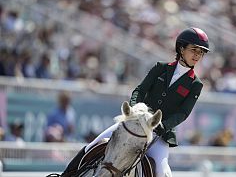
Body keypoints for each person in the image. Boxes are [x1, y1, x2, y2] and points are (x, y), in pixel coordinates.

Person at [61, 27, 211, 177]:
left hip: (160, 133)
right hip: (135, 123)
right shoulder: (161, 68)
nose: (197, 55)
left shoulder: (196, 84)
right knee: (93, 145)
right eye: (194, 50)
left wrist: (164, 125)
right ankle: (66, 175)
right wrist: (134, 111)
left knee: (163, 172)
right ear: (181, 48)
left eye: (201, 53)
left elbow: (183, 113)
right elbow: (140, 90)